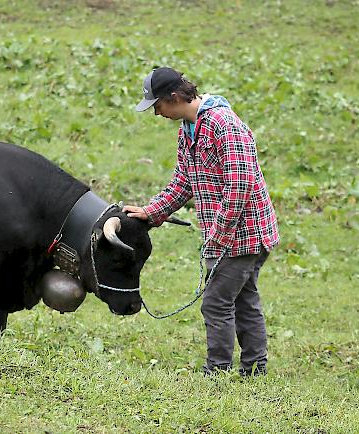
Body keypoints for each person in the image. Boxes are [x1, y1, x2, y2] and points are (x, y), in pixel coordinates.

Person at [123, 67, 279, 376]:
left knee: (216, 302)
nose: (157, 114)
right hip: (227, 236)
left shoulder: (224, 125)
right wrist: (151, 212)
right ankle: (255, 368)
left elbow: (239, 187)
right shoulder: (188, 129)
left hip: (245, 235)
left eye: (157, 106)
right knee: (244, 299)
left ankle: (218, 369)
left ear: (173, 97)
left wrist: (218, 237)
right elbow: (182, 183)